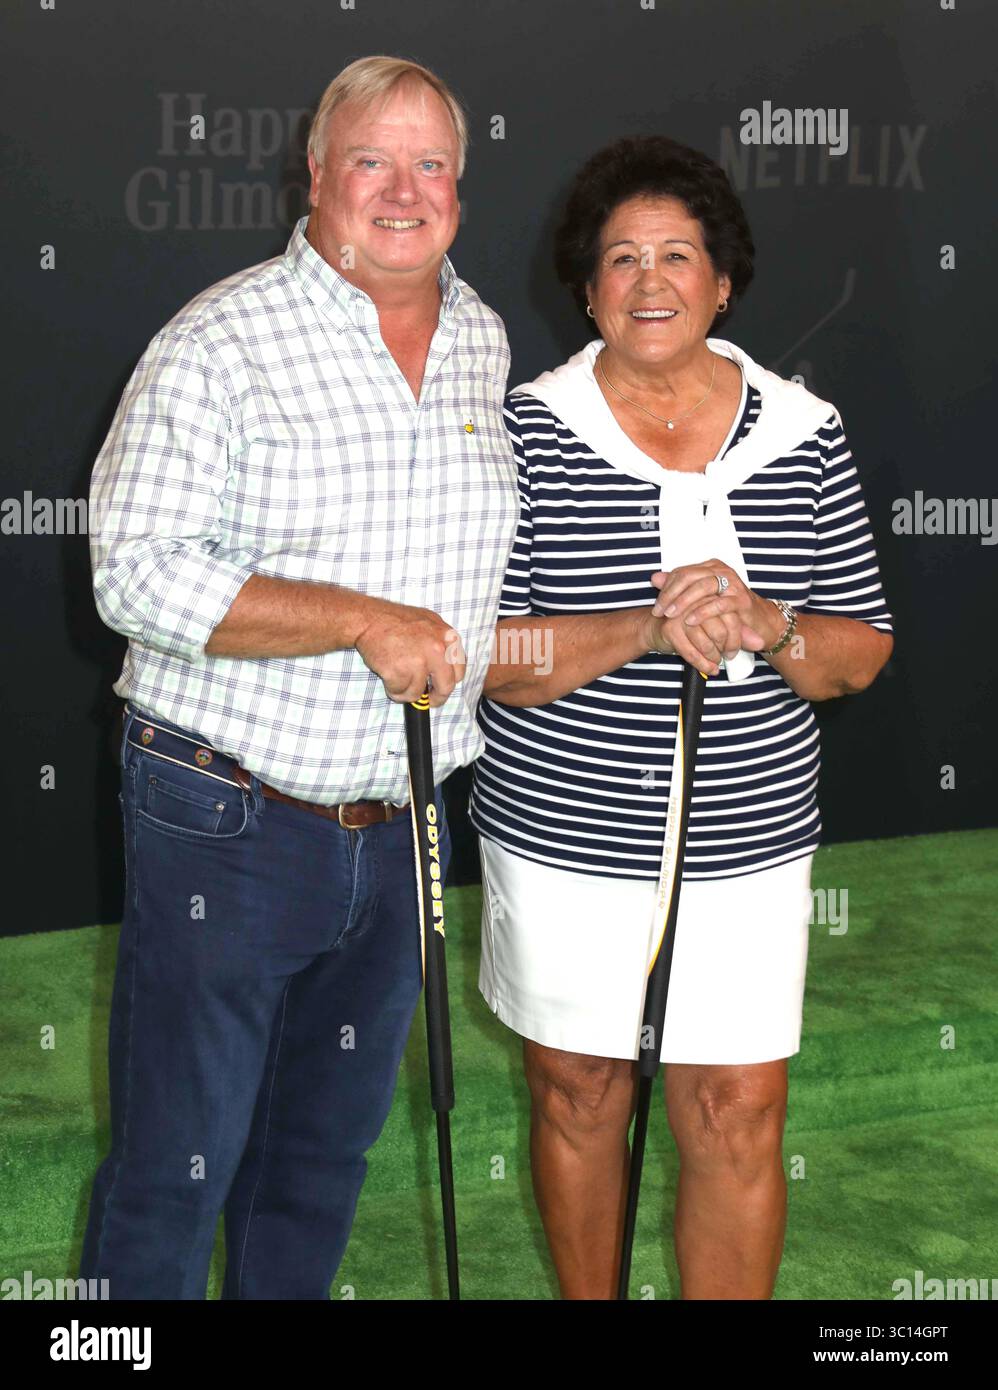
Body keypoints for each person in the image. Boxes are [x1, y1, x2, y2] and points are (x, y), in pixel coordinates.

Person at [81, 55, 518, 1300]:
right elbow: (136, 575)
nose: (402, 189)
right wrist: (356, 618)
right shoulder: (218, 340)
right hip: (227, 814)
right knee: (178, 1165)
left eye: (430, 163)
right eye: (371, 160)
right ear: (316, 177)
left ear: (459, 187)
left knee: (321, 1159)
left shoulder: (482, 340)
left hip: (404, 828)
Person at [469, 135, 894, 1300]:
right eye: (619, 258)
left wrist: (766, 618)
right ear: (584, 286)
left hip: (745, 847)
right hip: (563, 837)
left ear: (721, 281)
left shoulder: (804, 432)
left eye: (676, 256)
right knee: (577, 1091)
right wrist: (645, 629)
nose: (648, 281)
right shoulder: (522, 433)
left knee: (737, 1105)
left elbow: (856, 653)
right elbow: (487, 660)